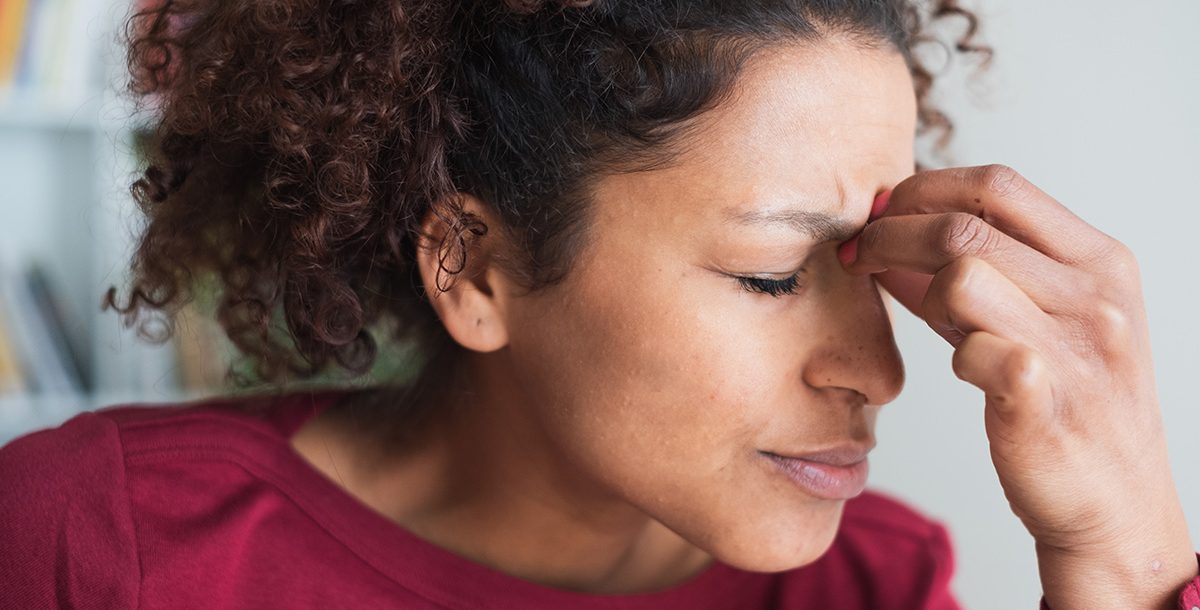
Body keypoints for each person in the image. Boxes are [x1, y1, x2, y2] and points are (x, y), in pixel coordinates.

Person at [2, 0, 1197, 608]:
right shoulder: (106, 543)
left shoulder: (869, 586)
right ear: (473, 267)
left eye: (867, 272)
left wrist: (1119, 554)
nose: (880, 373)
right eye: (774, 274)